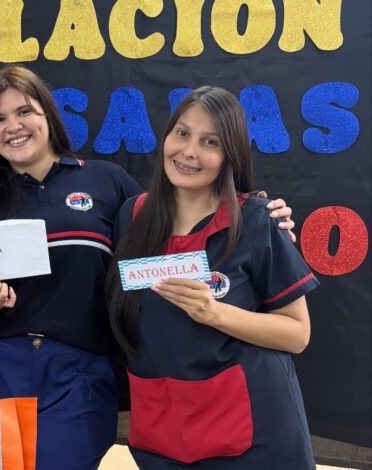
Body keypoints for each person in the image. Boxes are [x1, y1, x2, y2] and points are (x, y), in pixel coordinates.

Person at [0, 65, 296, 469]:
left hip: (80, 374)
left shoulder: (107, 182)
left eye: (24, 111)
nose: (13, 126)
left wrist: (257, 214)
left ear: (48, 113)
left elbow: (179, 222)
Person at [106, 86, 318, 468]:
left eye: (210, 142)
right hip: (164, 424)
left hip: (253, 432)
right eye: (182, 133)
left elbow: (297, 333)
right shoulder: (131, 216)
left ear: (229, 155)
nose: (189, 151)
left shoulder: (256, 220)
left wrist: (214, 313)